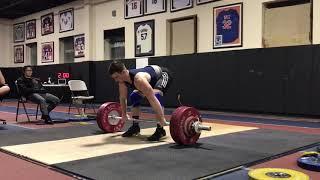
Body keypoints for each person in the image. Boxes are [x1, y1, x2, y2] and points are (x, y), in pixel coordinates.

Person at [108, 61, 173, 141]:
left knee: (157, 95)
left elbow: (152, 99)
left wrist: (162, 119)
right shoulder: (122, 81)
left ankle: (160, 129)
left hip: (162, 75)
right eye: (114, 78)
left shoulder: (138, 79)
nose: (116, 80)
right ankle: (135, 127)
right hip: (148, 80)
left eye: (116, 77)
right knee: (134, 96)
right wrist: (124, 114)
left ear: (123, 72)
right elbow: (122, 98)